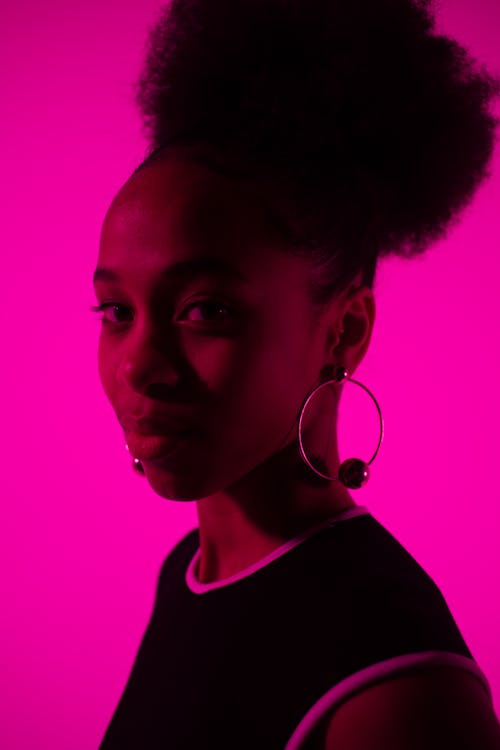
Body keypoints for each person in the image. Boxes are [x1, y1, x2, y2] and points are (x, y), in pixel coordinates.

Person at [92, 0, 500, 747]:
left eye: (204, 309)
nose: (139, 366)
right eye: (115, 311)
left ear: (342, 330)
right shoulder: (190, 571)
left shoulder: (398, 694)